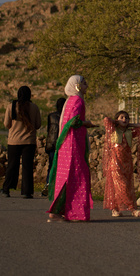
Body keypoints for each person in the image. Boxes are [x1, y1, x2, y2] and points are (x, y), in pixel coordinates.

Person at [46, 75, 97, 222]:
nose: (87, 86)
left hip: (66, 144)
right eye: (84, 83)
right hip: (73, 144)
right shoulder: (78, 100)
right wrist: (86, 123)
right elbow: (74, 121)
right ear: (77, 86)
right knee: (78, 177)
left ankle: (58, 211)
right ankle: (75, 212)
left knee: (66, 178)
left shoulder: (70, 100)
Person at [102, 110, 140, 217]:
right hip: (115, 163)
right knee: (122, 186)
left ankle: (115, 209)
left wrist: (129, 124)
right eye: (121, 117)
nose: (124, 119)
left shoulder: (129, 133)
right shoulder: (113, 130)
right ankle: (133, 209)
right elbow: (106, 120)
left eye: (126, 118)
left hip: (127, 164)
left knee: (125, 186)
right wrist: (117, 123)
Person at [0, 85, 42, 199]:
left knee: (12, 165)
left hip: (14, 141)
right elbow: (38, 125)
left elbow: (6, 124)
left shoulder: (11, 106)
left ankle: (6, 189)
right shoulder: (34, 107)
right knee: (27, 167)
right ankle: (27, 191)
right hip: (29, 142)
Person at [40, 96, 66, 197]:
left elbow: (49, 130)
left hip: (51, 144)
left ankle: (48, 184)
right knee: (61, 167)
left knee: (51, 166)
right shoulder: (66, 116)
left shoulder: (51, 116)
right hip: (62, 144)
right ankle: (59, 188)